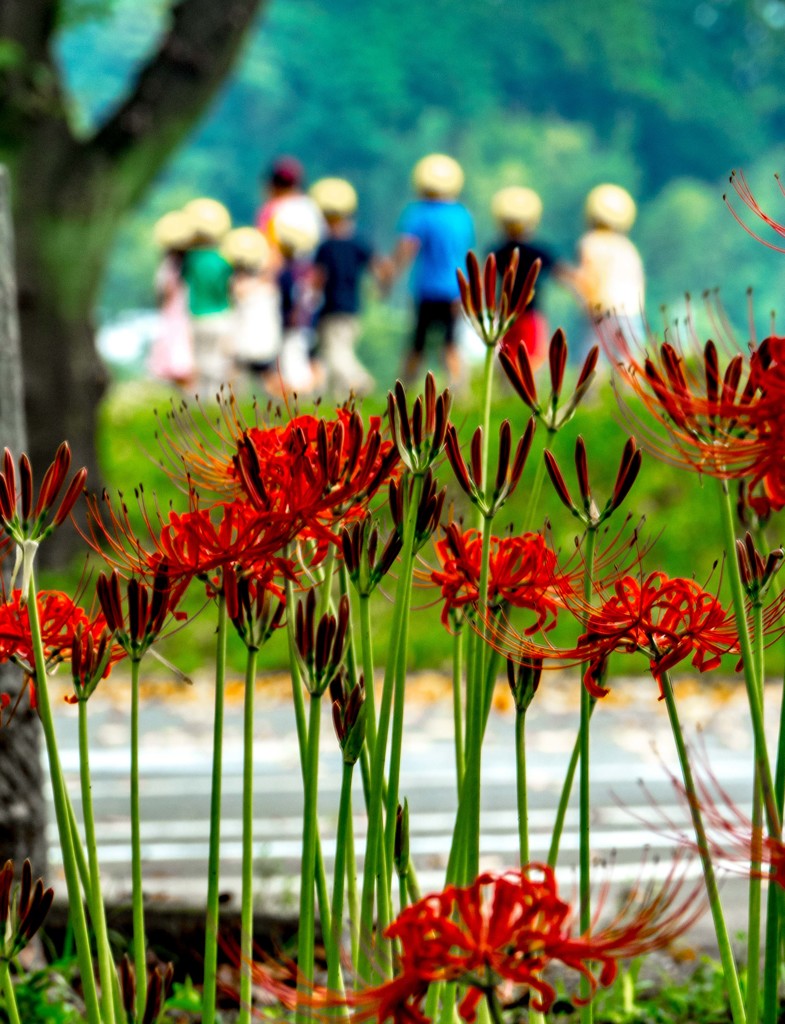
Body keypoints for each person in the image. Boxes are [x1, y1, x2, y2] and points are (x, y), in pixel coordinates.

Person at [392, 154, 474, 386]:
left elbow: (407, 247)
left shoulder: (419, 213)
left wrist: (393, 274)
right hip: (456, 290)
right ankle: (459, 390)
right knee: (450, 343)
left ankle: (404, 388)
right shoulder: (462, 215)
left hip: (427, 289)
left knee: (417, 343)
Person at [309, 177, 385, 398]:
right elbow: (379, 267)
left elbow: (318, 278)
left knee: (336, 354)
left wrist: (308, 297)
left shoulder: (325, 246)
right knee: (337, 352)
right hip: (352, 308)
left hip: (333, 308)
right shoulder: (359, 241)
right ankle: (343, 400)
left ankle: (360, 380)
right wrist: (382, 287)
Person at [568, 183, 645, 364]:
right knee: (629, 363)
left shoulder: (589, 242)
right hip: (630, 310)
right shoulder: (628, 247)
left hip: (600, 309)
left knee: (591, 360)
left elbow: (589, 276)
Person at [490, 186, 563, 373]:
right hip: (530, 313)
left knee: (506, 355)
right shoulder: (537, 251)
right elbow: (560, 272)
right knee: (531, 358)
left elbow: (485, 278)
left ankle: (503, 393)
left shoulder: (498, 251)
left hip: (505, 313)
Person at [180, 197, 234, 395]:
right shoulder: (223, 259)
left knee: (201, 358)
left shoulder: (190, 259)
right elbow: (228, 287)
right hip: (220, 313)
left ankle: (202, 397)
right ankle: (218, 396)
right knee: (219, 360)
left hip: (197, 314)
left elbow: (183, 281)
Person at [221, 226, 282, 395]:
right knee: (265, 377)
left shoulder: (237, 285)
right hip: (263, 341)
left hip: (246, 341)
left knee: (238, 378)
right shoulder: (268, 284)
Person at [272, 200, 323, 395]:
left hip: (293, 324)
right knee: (302, 359)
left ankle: (301, 397)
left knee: (293, 364)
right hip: (309, 323)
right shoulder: (310, 270)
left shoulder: (287, 272)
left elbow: (291, 297)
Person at [149, 210, 196, 389]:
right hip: (186, 314)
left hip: (173, 315)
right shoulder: (191, 263)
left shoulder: (168, 265)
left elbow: (162, 293)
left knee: (177, 361)